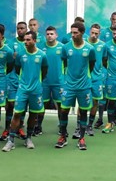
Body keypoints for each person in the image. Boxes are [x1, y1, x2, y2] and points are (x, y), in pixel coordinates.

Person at [2, 30, 47, 151]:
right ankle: (11, 140)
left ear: (34, 40)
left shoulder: (42, 55)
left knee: (33, 114)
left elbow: (44, 71)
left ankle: (29, 138)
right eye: (25, 40)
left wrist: (36, 82)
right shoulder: (21, 55)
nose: (25, 42)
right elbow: (17, 70)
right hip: (22, 89)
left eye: (28, 40)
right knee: (17, 113)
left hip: (36, 90)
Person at [57, 22, 96, 150]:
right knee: (64, 110)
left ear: (82, 33)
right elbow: (64, 64)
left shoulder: (90, 48)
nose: (73, 35)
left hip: (84, 86)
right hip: (69, 86)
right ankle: (63, 136)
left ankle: (82, 138)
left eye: (75, 33)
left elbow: (91, 64)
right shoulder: (66, 47)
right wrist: (65, 80)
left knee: (83, 111)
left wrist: (84, 77)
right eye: (72, 32)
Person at [0, 21, 29, 142]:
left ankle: (20, 128)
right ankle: (7, 128)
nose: (20, 30)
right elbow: (11, 57)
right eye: (18, 28)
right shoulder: (11, 43)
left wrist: (19, 55)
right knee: (10, 105)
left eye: (22, 28)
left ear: (26, 29)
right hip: (12, 78)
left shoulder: (29, 42)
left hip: (25, 79)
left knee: (22, 105)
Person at [37, 26, 64, 136]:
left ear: (56, 35)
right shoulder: (40, 48)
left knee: (61, 106)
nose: (49, 36)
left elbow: (67, 64)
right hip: (44, 82)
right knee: (41, 105)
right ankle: (38, 126)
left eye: (52, 34)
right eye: (47, 34)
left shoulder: (63, 48)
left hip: (59, 82)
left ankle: (62, 127)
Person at [85, 24, 107, 134]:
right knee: (83, 102)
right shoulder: (84, 43)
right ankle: (80, 126)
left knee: (95, 102)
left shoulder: (103, 46)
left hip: (97, 78)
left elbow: (104, 60)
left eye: (96, 33)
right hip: (84, 78)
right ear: (89, 32)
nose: (94, 35)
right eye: (92, 33)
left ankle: (89, 125)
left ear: (99, 34)